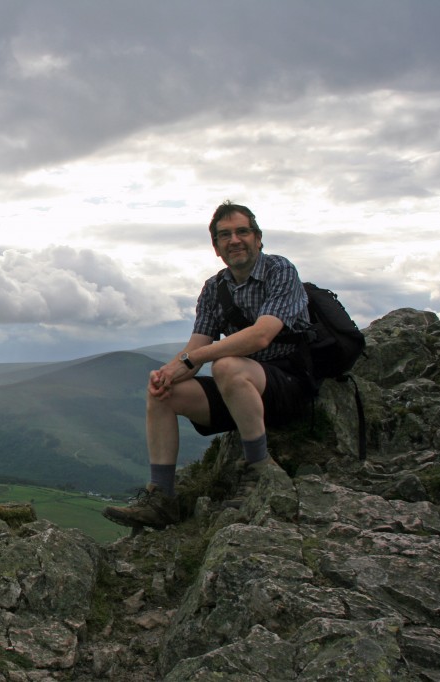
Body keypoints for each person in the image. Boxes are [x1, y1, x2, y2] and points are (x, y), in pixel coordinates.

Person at [103, 200, 316, 530]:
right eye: (225, 235)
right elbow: (195, 349)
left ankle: (260, 469)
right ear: (216, 247)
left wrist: (196, 359)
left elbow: (261, 336)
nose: (235, 240)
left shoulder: (280, 271)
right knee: (163, 392)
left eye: (242, 231)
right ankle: (161, 498)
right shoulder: (215, 289)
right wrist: (167, 373)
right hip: (241, 391)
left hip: (289, 384)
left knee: (226, 366)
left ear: (258, 238)